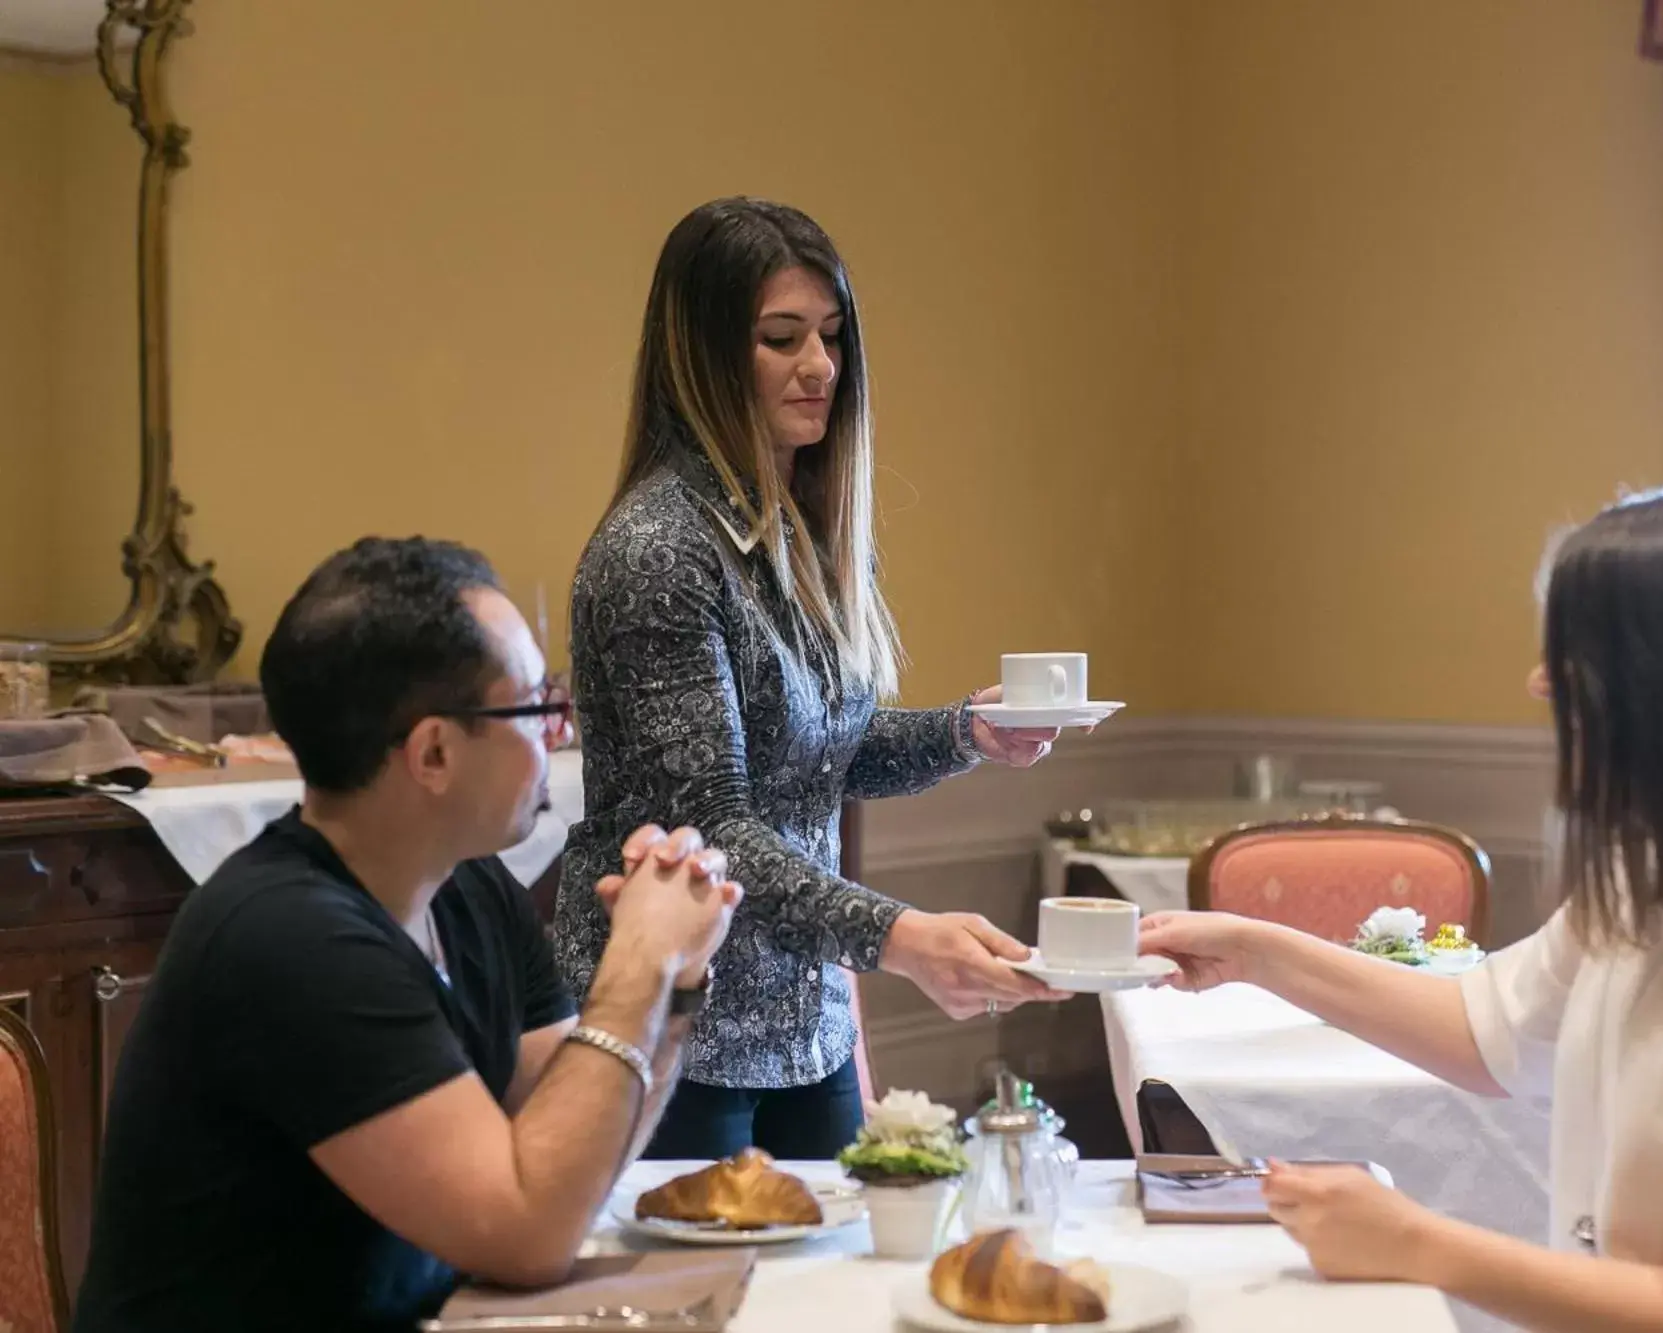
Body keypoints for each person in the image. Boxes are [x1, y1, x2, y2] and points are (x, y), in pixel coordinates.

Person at [1139, 482, 1663, 1333]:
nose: (1537, 682)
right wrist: (1258, 953)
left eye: (1572, 660)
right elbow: (1486, 1030)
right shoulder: (1660, 882)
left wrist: (1419, 1242)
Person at [73, 538, 742, 1333]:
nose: (561, 732)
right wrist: (638, 961)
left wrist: (676, 985)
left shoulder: (471, 885)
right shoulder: (289, 939)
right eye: (537, 707)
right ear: (432, 752)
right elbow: (529, 1235)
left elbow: (573, 1152)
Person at [555, 196, 1069, 1161]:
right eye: (781, 338)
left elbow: (824, 751)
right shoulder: (659, 549)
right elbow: (713, 827)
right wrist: (902, 936)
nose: (821, 367)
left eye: (832, 338)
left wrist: (966, 732)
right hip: (678, 1032)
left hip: (807, 1027)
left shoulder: (806, 527)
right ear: (703, 356)